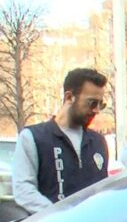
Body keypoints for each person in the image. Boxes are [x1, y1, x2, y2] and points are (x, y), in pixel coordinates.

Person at [13, 68, 110, 214]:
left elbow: (102, 191)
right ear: (69, 97)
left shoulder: (98, 141)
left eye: (101, 105)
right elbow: (24, 190)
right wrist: (60, 216)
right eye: (92, 103)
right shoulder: (33, 137)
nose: (96, 110)